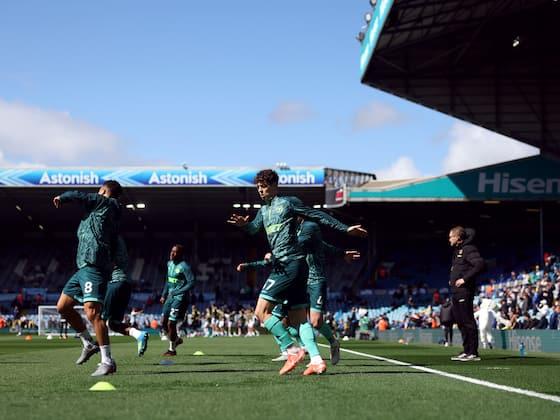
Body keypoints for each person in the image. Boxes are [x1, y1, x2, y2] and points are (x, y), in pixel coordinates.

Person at [228, 169, 367, 375]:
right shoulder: (263, 211)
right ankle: (317, 360)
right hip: (297, 267)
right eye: (258, 187)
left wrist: (344, 229)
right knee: (299, 318)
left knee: (261, 312)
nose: (260, 190)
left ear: (275, 186)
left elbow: (317, 215)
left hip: (288, 264)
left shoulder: (289, 203)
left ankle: (291, 349)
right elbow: (254, 229)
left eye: (264, 186)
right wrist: (244, 225)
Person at [238, 220, 360, 365]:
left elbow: (323, 246)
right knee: (280, 319)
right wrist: (250, 265)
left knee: (315, 321)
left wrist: (342, 253)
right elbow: (276, 259)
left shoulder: (308, 231)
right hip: (295, 281)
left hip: (314, 280)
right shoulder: (289, 234)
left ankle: (333, 343)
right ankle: (296, 351)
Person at [53, 180, 122, 376]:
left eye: (99, 191)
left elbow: (80, 196)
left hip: (93, 265)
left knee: (92, 312)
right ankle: (88, 343)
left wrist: (62, 197)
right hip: (84, 267)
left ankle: (107, 361)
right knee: (63, 307)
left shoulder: (103, 202)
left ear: (103, 190)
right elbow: (113, 240)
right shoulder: (107, 212)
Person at [101, 235, 149, 356]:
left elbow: (108, 263)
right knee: (113, 324)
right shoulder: (120, 243)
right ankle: (139, 335)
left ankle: (105, 356)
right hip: (126, 284)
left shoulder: (110, 241)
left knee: (101, 319)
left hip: (115, 283)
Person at [448, 226, 485, 362]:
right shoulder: (458, 251)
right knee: (460, 321)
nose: (449, 239)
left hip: (464, 291)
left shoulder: (468, 249)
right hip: (456, 292)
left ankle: (473, 352)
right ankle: (466, 350)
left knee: (467, 320)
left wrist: (464, 279)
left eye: (451, 237)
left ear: (458, 238)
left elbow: (480, 264)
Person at [160, 244, 195, 356]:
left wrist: (179, 291)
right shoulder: (169, 264)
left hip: (180, 298)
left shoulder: (184, 266)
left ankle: (172, 350)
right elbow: (168, 280)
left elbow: (192, 282)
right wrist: (163, 295)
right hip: (170, 297)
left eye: (175, 252)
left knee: (171, 323)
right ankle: (176, 339)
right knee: (163, 322)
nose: (172, 253)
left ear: (180, 254)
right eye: (172, 251)